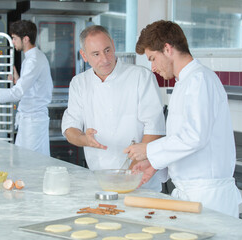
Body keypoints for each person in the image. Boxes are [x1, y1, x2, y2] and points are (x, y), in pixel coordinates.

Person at [124, 20, 242, 217]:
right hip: (190, 194)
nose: (152, 67)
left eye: (153, 58)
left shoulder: (200, 80)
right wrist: (154, 164)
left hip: (208, 197)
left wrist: (148, 150)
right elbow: (182, 139)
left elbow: (195, 137)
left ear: (167, 49)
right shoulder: (183, 83)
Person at [61, 25, 167, 191]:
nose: (105, 59)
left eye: (107, 50)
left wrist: (132, 171)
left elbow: (155, 128)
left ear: (113, 45)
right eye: (96, 54)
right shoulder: (79, 83)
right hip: (100, 180)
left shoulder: (141, 76)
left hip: (140, 180)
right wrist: (84, 139)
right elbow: (69, 128)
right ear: (84, 56)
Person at [0, 20, 53, 156]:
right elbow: (33, 88)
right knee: (27, 161)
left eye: (15, 38)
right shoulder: (34, 57)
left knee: (30, 163)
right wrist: (18, 81)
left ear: (26, 39)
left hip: (33, 123)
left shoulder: (33, 60)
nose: (13, 42)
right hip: (29, 121)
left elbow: (16, 94)